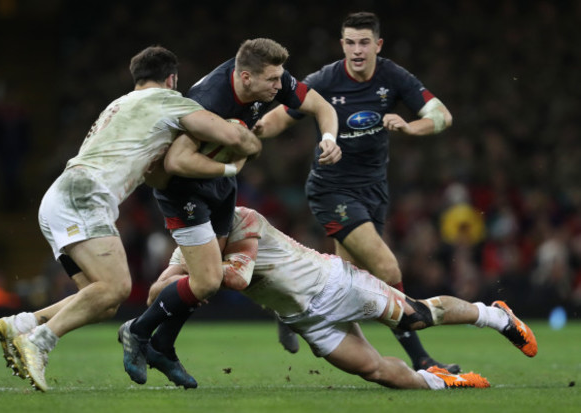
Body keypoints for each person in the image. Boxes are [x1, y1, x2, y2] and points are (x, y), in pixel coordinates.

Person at [0, 45, 262, 392]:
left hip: (61, 196)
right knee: (116, 287)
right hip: (84, 196)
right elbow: (231, 135)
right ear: (172, 79)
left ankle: (22, 324)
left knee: (99, 299)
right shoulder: (166, 100)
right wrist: (249, 149)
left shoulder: (118, 103)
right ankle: (40, 341)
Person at [118, 38, 341, 387]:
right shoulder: (208, 100)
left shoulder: (270, 80)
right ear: (246, 77)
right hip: (183, 191)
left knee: (205, 282)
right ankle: (139, 330)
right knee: (206, 280)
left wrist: (329, 138)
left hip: (220, 188)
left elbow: (321, 105)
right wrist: (230, 170)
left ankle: (162, 344)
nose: (278, 86)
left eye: (280, 78)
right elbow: (176, 161)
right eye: (271, 80)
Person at [255, 11, 458, 372]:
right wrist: (248, 134)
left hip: (374, 190)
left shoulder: (393, 76)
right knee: (385, 266)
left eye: (364, 42)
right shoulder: (326, 80)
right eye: (350, 42)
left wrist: (412, 127)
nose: (357, 50)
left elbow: (442, 115)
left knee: (345, 283)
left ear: (378, 45)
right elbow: (280, 116)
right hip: (332, 189)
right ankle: (422, 358)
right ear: (342, 45)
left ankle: (291, 311)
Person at [143, 206, 537, 390]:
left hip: (335, 285)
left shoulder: (243, 219)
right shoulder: (194, 245)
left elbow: (238, 278)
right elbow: (155, 294)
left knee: (417, 315)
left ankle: (495, 315)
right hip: (307, 320)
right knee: (377, 372)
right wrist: (186, 281)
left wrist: (199, 280)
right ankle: (445, 383)